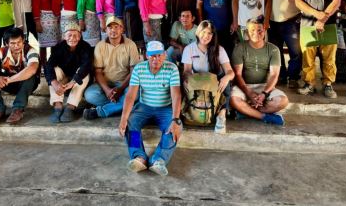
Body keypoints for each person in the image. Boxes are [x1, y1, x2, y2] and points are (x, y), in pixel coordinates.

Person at [119, 41, 182, 176]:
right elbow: (130, 96)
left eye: (159, 55)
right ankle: (139, 157)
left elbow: (176, 95)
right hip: (144, 107)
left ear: (165, 55)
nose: (156, 59)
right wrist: (123, 119)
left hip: (165, 108)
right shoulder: (139, 69)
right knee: (131, 123)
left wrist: (176, 119)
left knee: (174, 127)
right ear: (147, 55)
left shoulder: (172, 68)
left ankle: (158, 160)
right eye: (153, 56)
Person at [290, 0, 342, 98]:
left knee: (329, 58)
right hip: (307, 25)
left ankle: (328, 84)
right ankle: (309, 83)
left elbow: (337, 1)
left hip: (329, 25)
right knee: (307, 57)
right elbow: (298, 2)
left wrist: (323, 17)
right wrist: (317, 15)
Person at [230, 16, 288, 126]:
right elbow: (237, 74)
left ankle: (246, 112)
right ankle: (264, 116)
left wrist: (264, 94)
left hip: (264, 87)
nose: (256, 33)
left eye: (259, 30)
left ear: (265, 30)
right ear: (247, 32)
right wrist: (249, 92)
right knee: (233, 100)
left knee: (283, 101)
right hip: (244, 86)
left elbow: (274, 75)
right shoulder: (239, 48)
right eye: (252, 30)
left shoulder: (273, 49)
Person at [182, 20, 234, 133]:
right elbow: (186, 71)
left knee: (225, 81)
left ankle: (221, 116)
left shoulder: (219, 49)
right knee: (182, 83)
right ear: (197, 32)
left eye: (210, 33)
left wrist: (226, 78)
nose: (206, 36)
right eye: (203, 32)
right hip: (198, 81)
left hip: (215, 83)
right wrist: (188, 81)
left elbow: (230, 72)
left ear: (213, 35)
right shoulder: (189, 49)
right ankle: (188, 112)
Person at [84, 16, 140, 120]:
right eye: (110, 27)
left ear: (122, 29)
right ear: (105, 30)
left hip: (124, 84)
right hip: (106, 84)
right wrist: (107, 90)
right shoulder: (100, 46)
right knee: (89, 95)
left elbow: (134, 71)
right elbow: (98, 71)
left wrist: (120, 89)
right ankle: (124, 105)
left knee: (137, 94)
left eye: (116, 27)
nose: (113, 30)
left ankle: (102, 110)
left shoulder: (130, 44)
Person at [0, 27, 40, 124]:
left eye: (19, 42)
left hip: (25, 84)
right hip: (7, 82)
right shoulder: (2, 51)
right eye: (12, 43)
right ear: (6, 43)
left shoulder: (30, 50)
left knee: (30, 76)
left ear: (23, 41)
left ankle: (17, 110)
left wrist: (8, 80)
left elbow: (32, 69)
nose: (16, 46)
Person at [45, 22, 92, 123]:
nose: (72, 38)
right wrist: (54, 82)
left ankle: (70, 107)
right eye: (69, 35)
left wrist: (73, 81)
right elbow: (48, 65)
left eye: (76, 35)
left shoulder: (86, 47)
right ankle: (58, 105)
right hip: (64, 78)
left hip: (76, 80)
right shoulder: (58, 47)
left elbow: (86, 66)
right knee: (54, 70)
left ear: (80, 36)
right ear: (64, 36)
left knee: (84, 74)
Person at [268, 0, 302, 88]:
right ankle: (281, 76)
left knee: (296, 52)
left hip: (291, 21)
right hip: (272, 21)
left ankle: (293, 77)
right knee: (276, 52)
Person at [32, 0, 60, 69]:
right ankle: (43, 66)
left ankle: (52, 65)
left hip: (55, 19)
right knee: (43, 45)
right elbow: (35, 7)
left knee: (54, 44)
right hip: (43, 20)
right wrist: (37, 23)